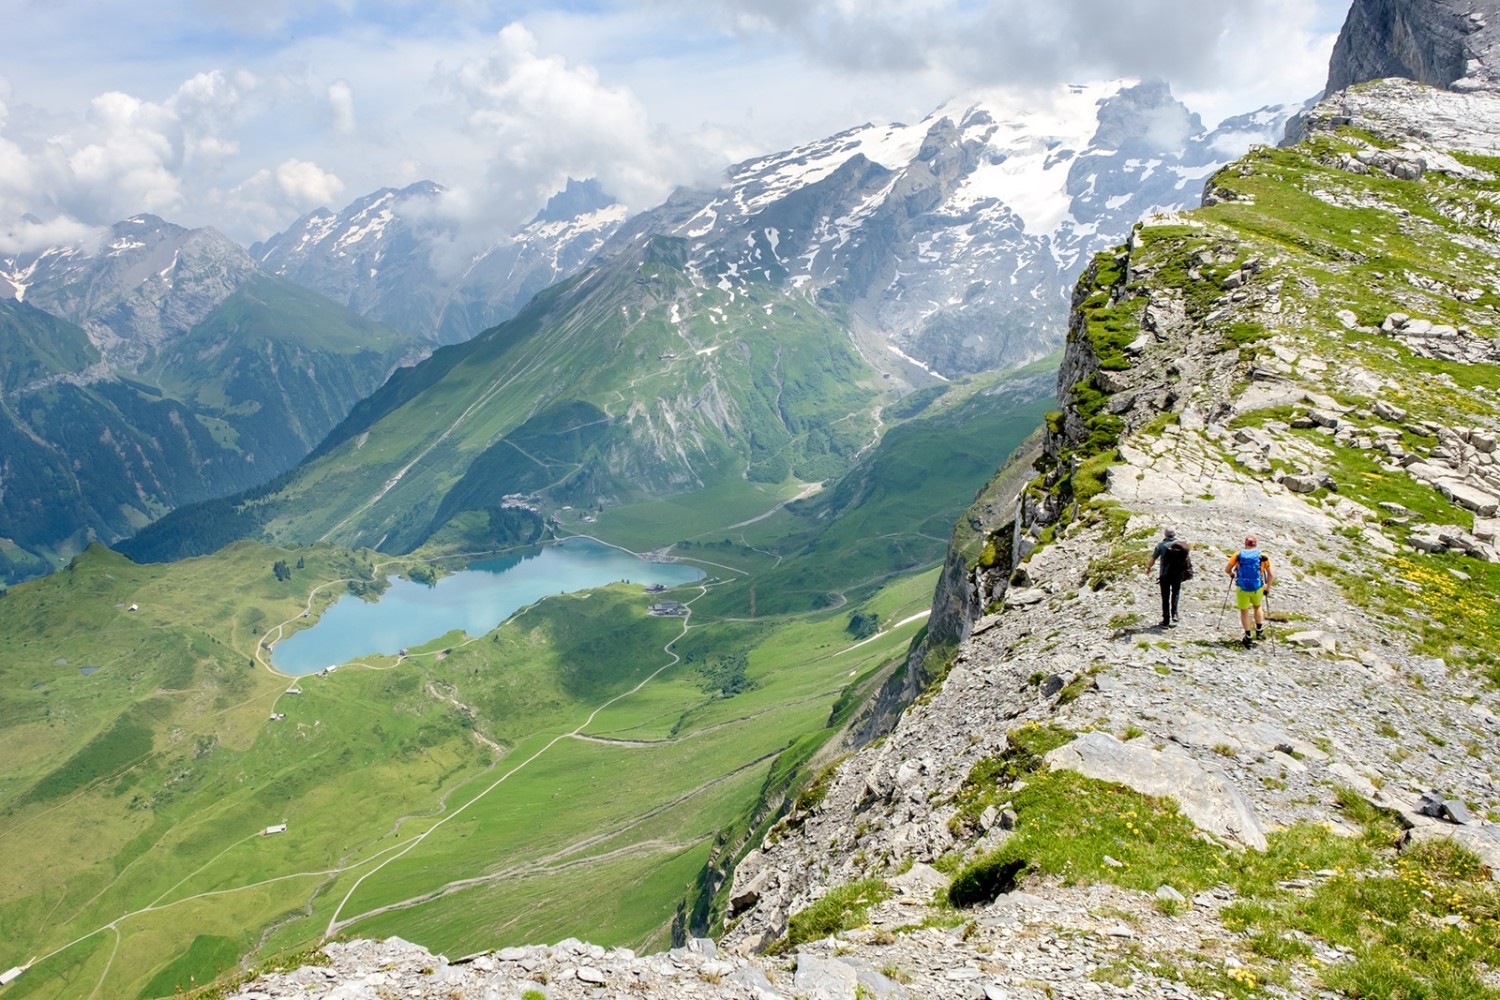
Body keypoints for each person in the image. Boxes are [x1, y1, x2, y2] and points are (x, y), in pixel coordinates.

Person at [1225, 535, 1274, 648]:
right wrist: (1267, 588)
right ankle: (1259, 631)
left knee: (1244, 611)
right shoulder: (1263, 556)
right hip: (1257, 587)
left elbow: (1227, 569)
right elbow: (1271, 575)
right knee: (1257, 607)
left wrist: (1231, 574)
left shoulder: (1238, 555)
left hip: (1242, 587)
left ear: (1245, 544)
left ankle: (1248, 636)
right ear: (1256, 544)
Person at [1145, 528, 1192, 628]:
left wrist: (1149, 568)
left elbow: (1153, 558)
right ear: (1174, 534)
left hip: (1165, 575)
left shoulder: (1161, 545)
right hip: (1178, 574)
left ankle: (1166, 621)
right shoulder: (1181, 545)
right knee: (1176, 593)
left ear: (1165, 535)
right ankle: (1174, 614)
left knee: (1165, 596)